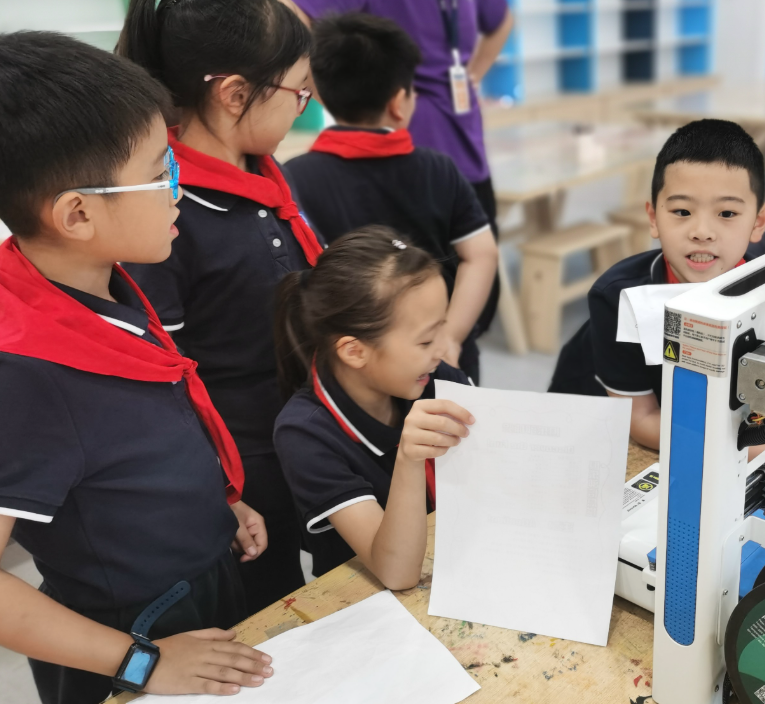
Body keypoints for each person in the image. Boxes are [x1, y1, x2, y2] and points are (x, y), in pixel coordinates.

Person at [0, 32, 274, 703]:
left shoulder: (99, 285)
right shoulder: (27, 371)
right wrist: (141, 664)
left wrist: (218, 505)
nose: (178, 187)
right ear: (78, 214)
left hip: (193, 588)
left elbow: (134, 441)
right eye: (159, 172)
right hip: (129, 641)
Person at [118, 0, 320, 613]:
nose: (304, 105)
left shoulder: (265, 177)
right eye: (299, 92)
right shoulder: (167, 214)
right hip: (241, 464)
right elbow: (158, 376)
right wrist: (220, 488)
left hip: (302, 429)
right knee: (271, 606)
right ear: (234, 94)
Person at [285, 13, 498, 383]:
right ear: (400, 102)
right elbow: (481, 255)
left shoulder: (294, 177)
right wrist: (450, 336)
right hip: (439, 362)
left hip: (352, 368)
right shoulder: (438, 168)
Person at [548, 119, 765, 451]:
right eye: (682, 211)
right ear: (653, 218)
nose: (702, 232)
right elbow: (641, 420)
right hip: (592, 428)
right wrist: (746, 448)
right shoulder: (618, 298)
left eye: (726, 214)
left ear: (758, 222)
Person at [273, 227, 474, 580]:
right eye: (426, 341)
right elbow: (396, 573)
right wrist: (409, 460)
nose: (442, 350)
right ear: (355, 351)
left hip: (461, 563)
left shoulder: (437, 378)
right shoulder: (304, 433)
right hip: (365, 598)